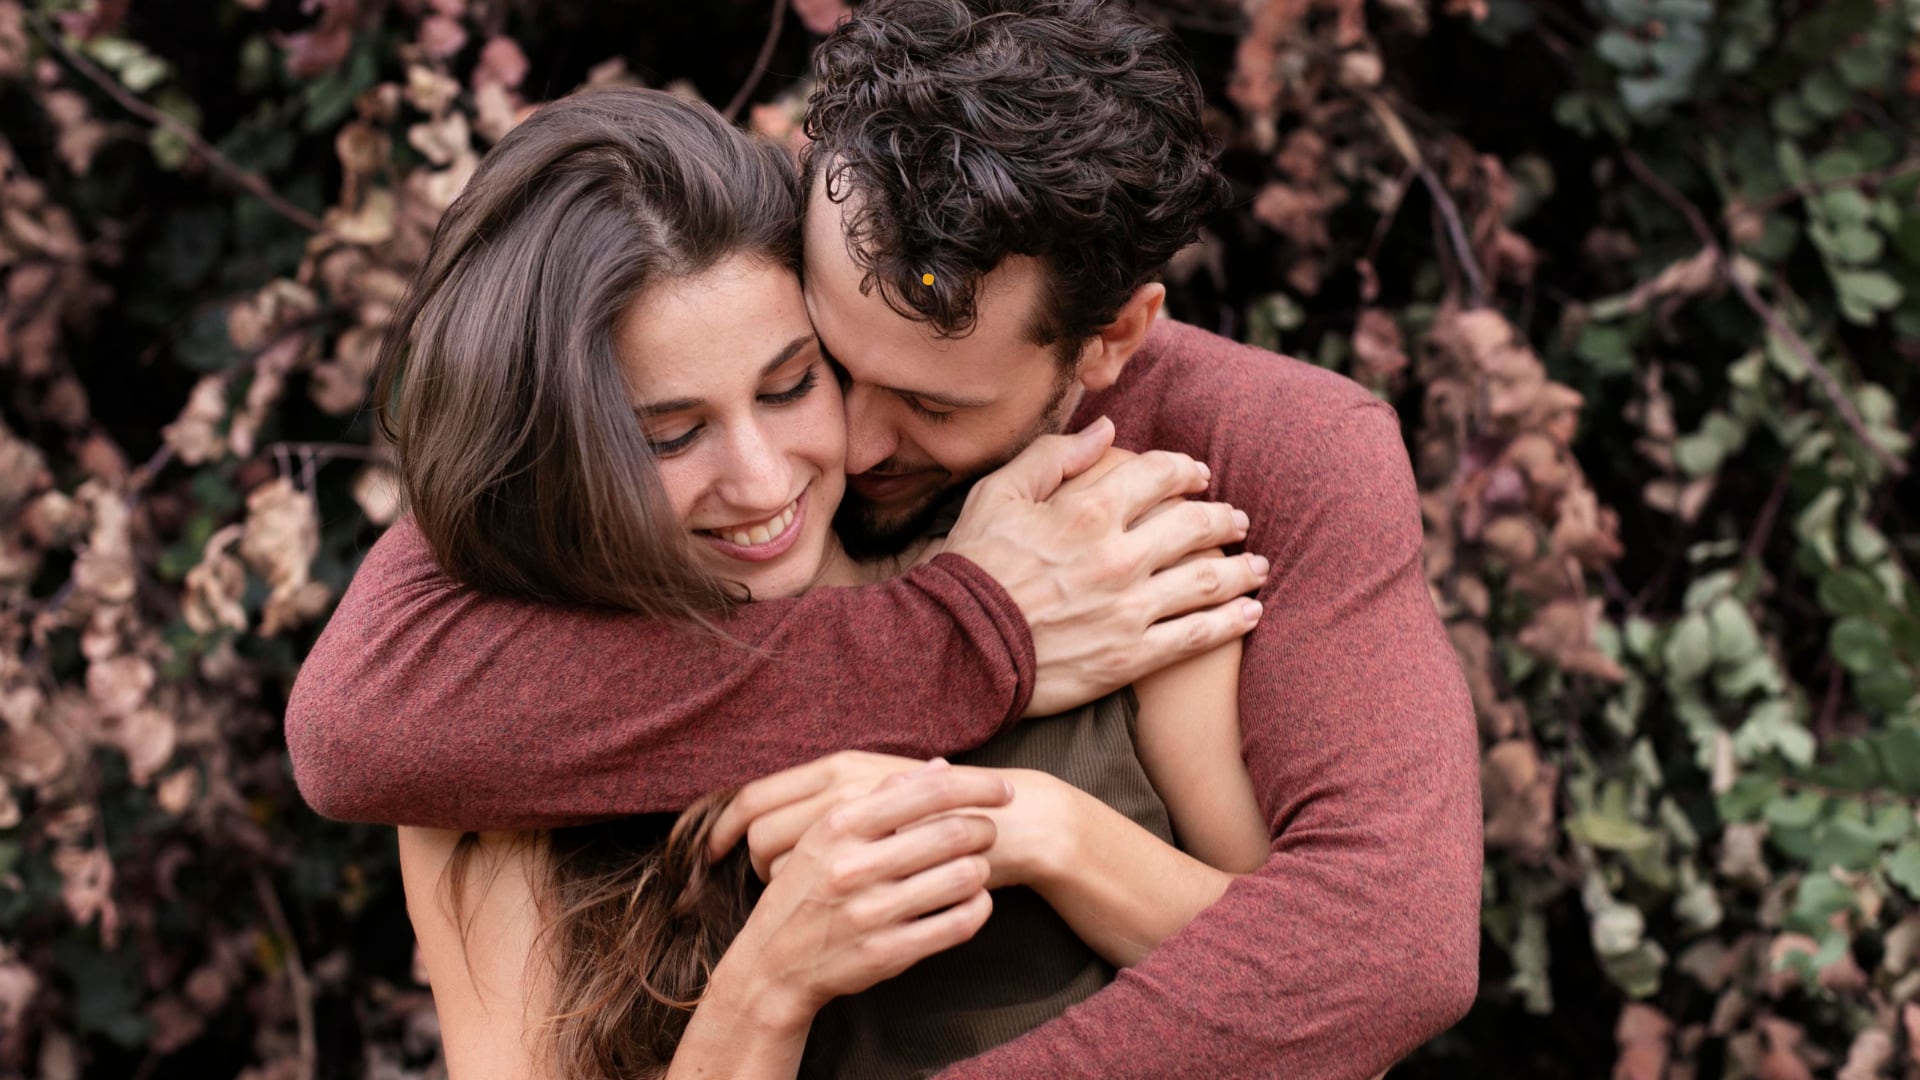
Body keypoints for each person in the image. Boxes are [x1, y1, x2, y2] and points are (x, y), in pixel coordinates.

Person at [288, 1, 1483, 1076]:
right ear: (809, 196)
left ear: (1111, 341)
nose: (847, 449)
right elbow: (355, 725)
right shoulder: (695, 314)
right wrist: (972, 638)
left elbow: (1361, 963)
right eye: (829, 360)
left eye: (935, 405)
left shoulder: (1185, 503)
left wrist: (1037, 827)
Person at [383, 86, 1268, 1078]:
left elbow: (1327, 1021)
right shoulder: (502, 759)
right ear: (558, 463)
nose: (765, 481)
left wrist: (1035, 829)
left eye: (794, 382)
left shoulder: (1096, 566)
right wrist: (770, 986)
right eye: (670, 436)